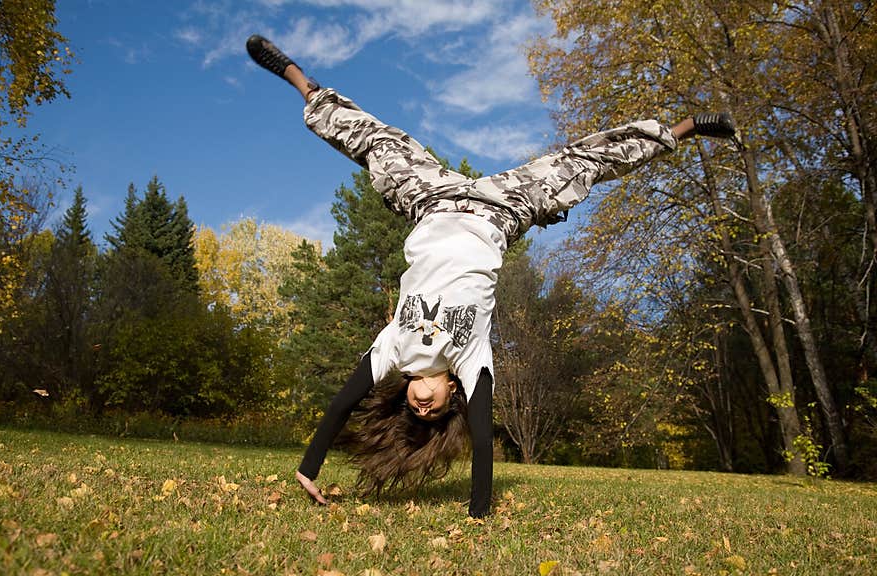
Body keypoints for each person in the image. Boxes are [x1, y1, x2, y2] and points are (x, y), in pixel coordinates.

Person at [245, 34, 737, 518]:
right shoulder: (469, 360)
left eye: (416, 409)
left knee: (375, 142)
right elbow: (482, 439)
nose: (421, 404)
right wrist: (479, 511)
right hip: (501, 209)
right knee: (579, 165)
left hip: (432, 200)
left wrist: (309, 467)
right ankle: (684, 129)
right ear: (451, 395)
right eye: (432, 410)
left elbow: (340, 406)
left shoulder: (393, 348)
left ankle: (297, 79)